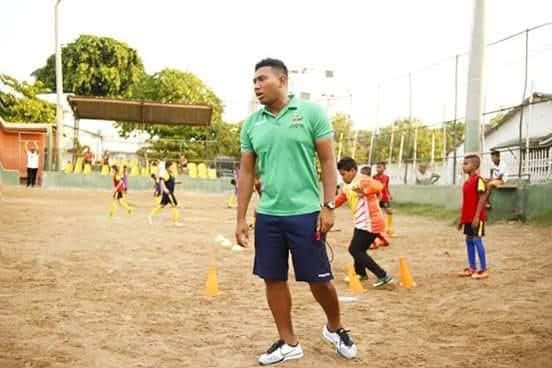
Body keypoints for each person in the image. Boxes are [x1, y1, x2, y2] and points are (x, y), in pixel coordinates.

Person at [236, 58, 357, 365]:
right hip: (268, 216)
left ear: (283, 80)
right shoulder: (252, 124)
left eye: (262, 79)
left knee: (319, 280)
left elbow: (329, 162)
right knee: (272, 279)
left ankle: (335, 328)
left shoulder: (311, 113)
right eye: (254, 81)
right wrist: (240, 218)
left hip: (305, 213)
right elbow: (247, 173)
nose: (257, 86)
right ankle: (289, 342)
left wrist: (328, 206)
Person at [336, 157, 394, 287]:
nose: (342, 178)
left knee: (355, 250)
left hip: (371, 223)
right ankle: (360, 274)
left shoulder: (362, 179)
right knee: (358, 248)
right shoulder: (347, 185)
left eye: (343, 174)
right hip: (361, 222)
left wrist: (365, 191)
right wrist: (327, 206)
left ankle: (383, 275)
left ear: (352, 171)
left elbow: (378, 186)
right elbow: (341, 198)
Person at [457, 154, 490, 280]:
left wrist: (477, 217)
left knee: (477, 240)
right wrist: (461, 220)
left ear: (475, 166)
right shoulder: (466, 183)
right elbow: (465, 202)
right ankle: (472, 268)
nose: (463, 166)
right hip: (468, 218)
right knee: (468, 240)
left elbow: (482, 198)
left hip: (477, 218)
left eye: (466, 164)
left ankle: (484, 269)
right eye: (463, 164)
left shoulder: (479, 180)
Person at [147, 160, 183, 227]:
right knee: (174, 205)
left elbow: (170, 182)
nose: (173, 168)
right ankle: (175, 222)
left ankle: (150, 216)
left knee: (162, 205)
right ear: (168, 167)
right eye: (172, 166)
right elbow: (162, 182)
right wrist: (165, 189)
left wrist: (177, 182)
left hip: (167, 193)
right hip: (168, 193)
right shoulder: (165, 174)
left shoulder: (171, 174)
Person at [373, 162, 396, 237]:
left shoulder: (386, 177)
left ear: (384, 169)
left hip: (384, 197)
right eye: (377, 167)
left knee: (389, 211)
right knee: (376, 214)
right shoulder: (373, 177)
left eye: (380, 167)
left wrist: (389, 194)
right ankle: (377, 230)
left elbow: (385, 187)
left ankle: (389, 229)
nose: (378, 169)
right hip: (376, 198)